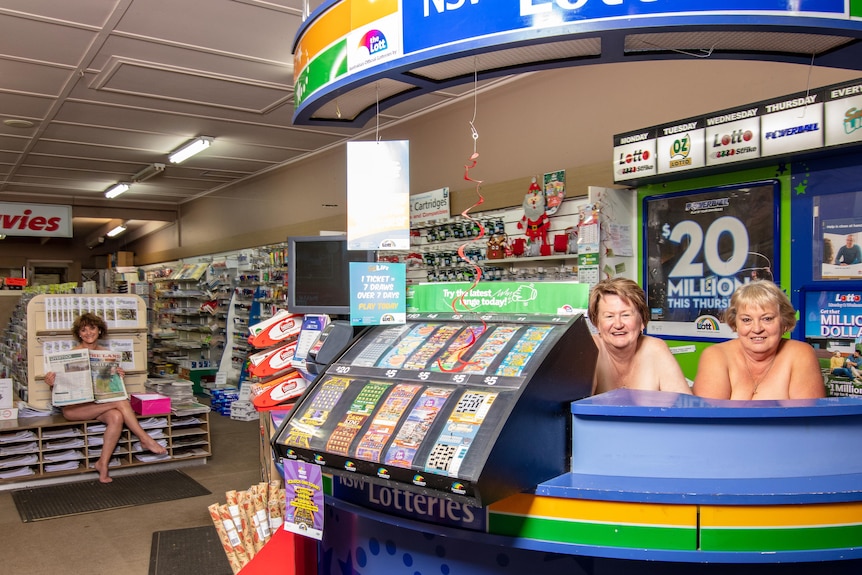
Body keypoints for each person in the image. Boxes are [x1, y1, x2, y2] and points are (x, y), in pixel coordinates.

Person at [44, 312, 167, 483]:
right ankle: (145, 438)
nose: (88, 333)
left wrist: (118, 377)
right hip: (75, 409)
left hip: (99, 405)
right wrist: (52, 383)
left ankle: (103, 464)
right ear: (78, 333)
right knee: (120, 402)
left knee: (117, 416)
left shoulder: (107, 355)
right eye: (83, 330)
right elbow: (60, 392)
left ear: (99, 331)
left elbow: (108, 388)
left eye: (92, 328)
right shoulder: (72, 354)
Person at [692, 281, 825, 400]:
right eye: (746, 320)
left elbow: (806, 423)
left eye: (767, 319)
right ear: (735, 323)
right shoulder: (715, 355)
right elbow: (710, 422)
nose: (756, 329)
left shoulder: (801, 354)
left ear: (783, 321)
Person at [588, 277, 692, 395]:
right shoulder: (589, 349)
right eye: (609, 316)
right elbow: (574, 407)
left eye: (626, 315)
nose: (618, 324)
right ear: (597, 323)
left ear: (642, 320)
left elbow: (684, 406)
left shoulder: (656, 349)